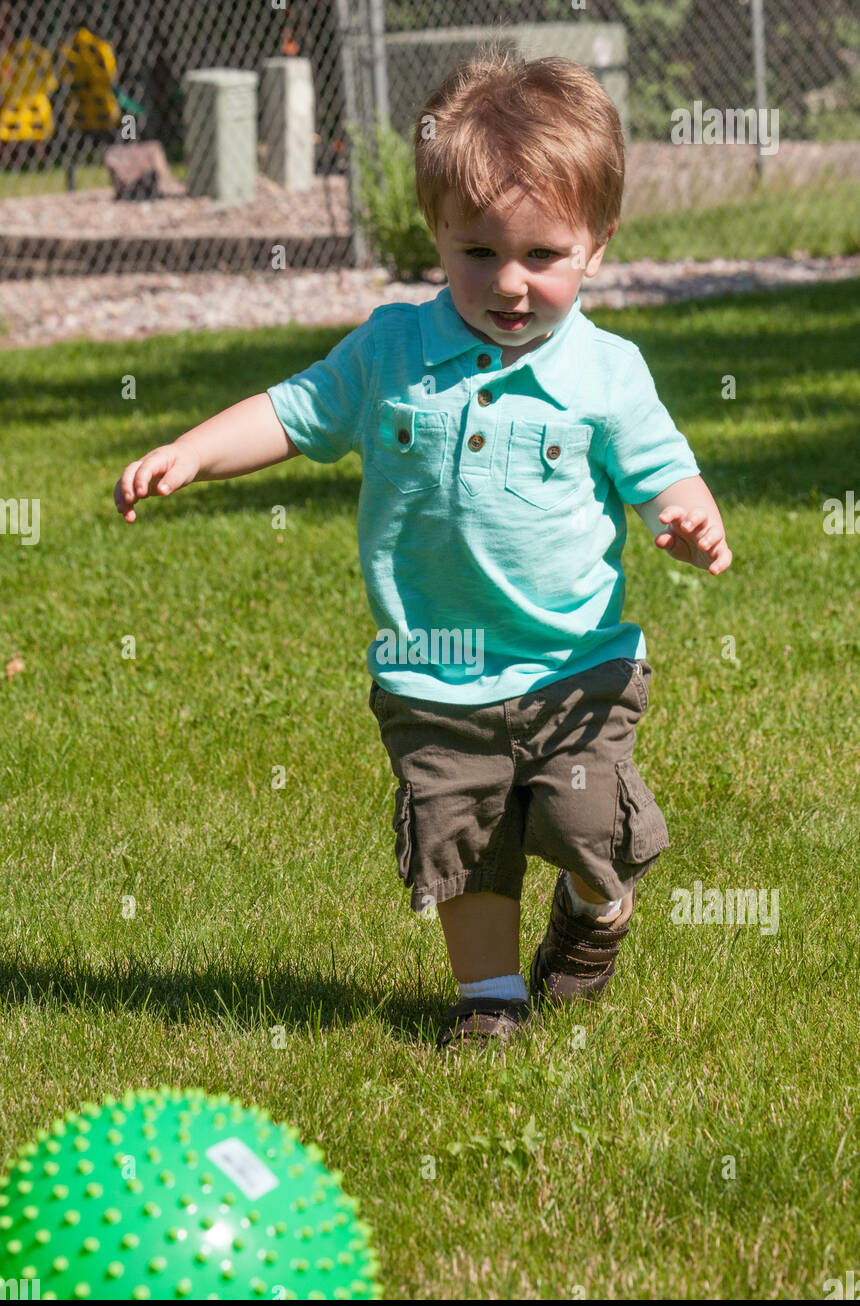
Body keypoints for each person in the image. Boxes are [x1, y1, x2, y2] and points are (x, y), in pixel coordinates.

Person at [114, 49, 732, 1055]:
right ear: (434, 236)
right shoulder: (391, 350)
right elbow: (292, 410)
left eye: (541, 254)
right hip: (431, 671)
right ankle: (489, 997)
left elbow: (664, 466)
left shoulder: (606, 374)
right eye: (476, 252)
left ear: (597, 245)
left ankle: (594, 908)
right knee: (465, 840)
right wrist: (192, 451)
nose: (510, 283)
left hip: (576, 665)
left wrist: (686, 513)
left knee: (588, 830)